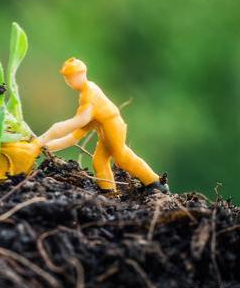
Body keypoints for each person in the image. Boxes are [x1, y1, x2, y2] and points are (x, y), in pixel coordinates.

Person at [38, 58, 168, 194]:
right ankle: (109, 192)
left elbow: (76, 123)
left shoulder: (89, 95)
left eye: (72, 77)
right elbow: (72, 139)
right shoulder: (85, 97)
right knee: (99, 161)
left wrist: (41, 141)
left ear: (83, 74)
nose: (70, 81)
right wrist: (43, 146)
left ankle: (155, 183)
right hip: (104, 129)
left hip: (113, 126)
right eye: (67, 78)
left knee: (122, 156)